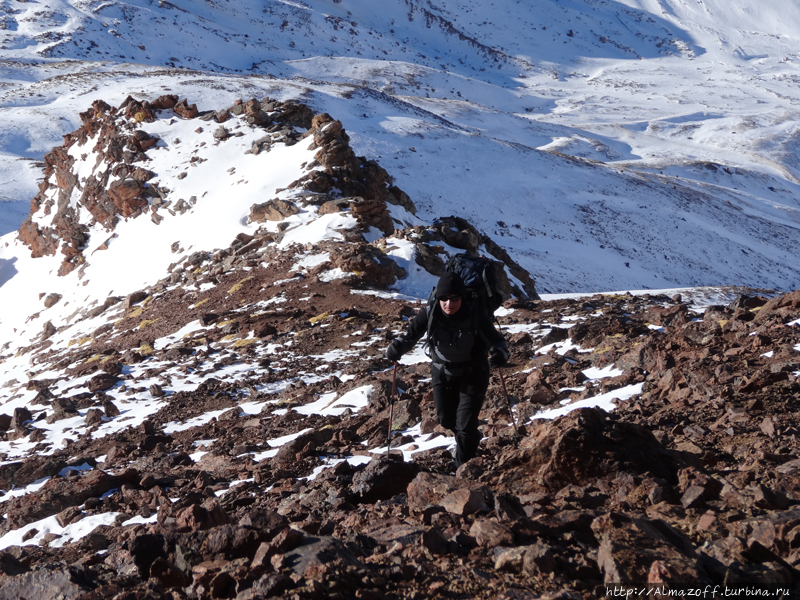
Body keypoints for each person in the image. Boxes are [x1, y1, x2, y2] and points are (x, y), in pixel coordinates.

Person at [385, 271, 509, 468]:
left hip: (473, 373)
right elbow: (410, 335)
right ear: (438, 297)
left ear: (462, 297)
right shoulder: (431, 312)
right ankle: (470, 437)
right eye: (444, 298)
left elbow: (496, 340)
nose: (448, 304)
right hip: (442, 373)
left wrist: (500, 353)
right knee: (446, 420)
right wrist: (397, 348)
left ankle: (462, 468)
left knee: (465, 425)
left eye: (454, 298)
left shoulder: (475, 313)